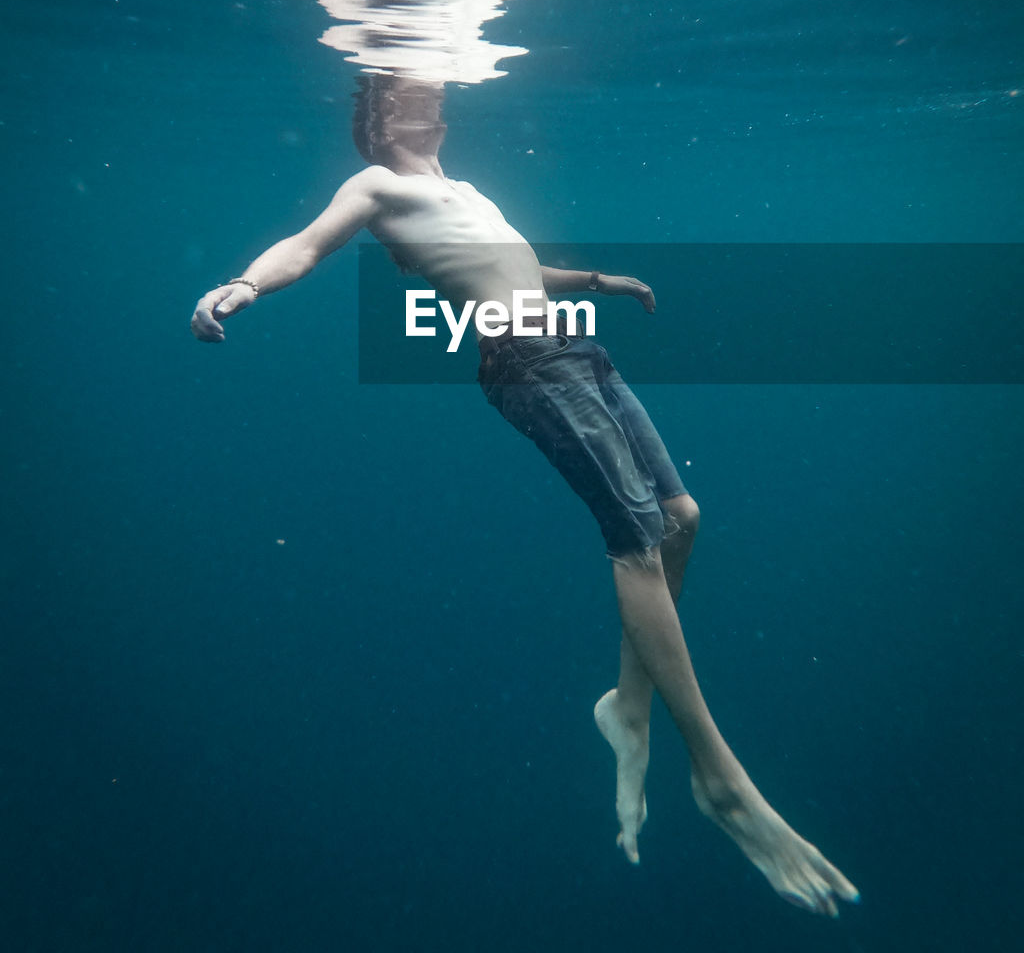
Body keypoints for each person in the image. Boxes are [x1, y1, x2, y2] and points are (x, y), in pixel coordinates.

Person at [190, 79, 860, 917]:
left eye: (433, 91)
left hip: (577, 348)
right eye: (413, 92)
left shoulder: (463, 190)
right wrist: (244, 286)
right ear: (382, 119)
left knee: (683, 519)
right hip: (526, 367)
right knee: (637, 543)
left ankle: (627, 709)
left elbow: (512, 266)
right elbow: (303, 245)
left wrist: (596, 279)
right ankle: (719, 775)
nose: (435, 99)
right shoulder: (378, 187)